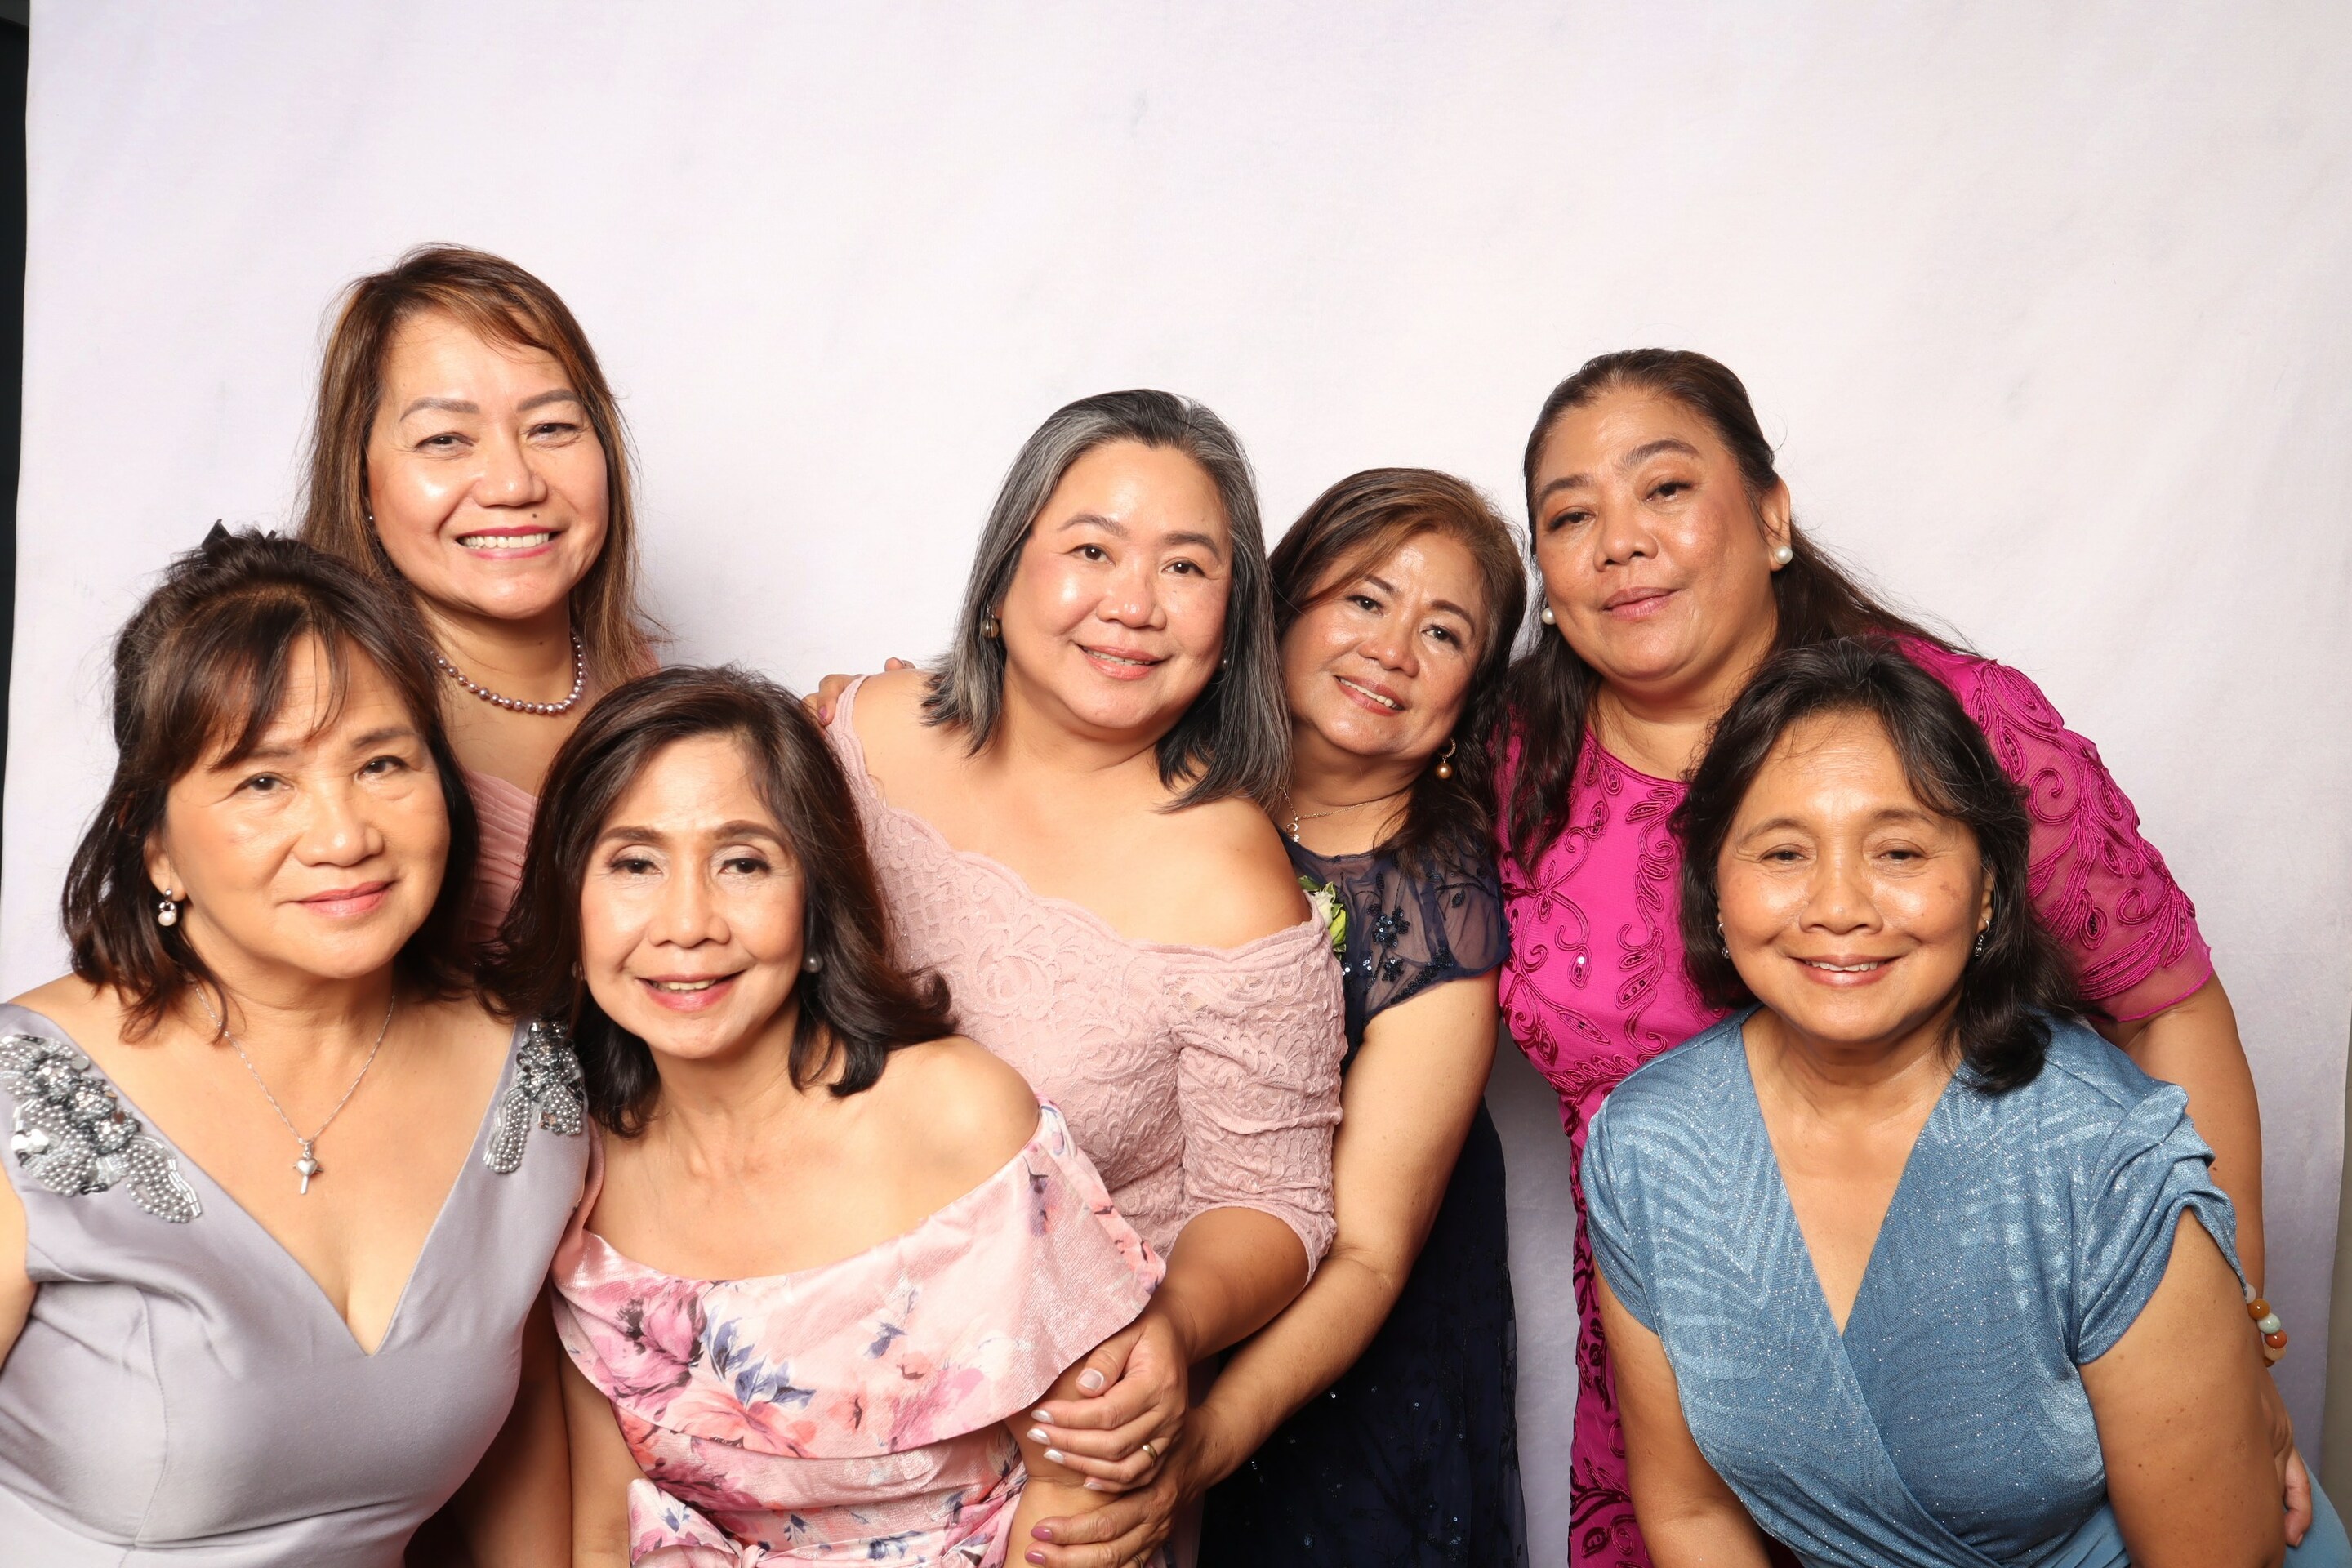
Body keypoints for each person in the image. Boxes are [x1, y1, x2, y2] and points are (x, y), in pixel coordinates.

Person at [1495, 349, 2287, 1564]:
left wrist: (2234, 1347)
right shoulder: (1510, 760)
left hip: (1988, 1360)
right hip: (1681, 1370)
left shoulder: (1958, 723)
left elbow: (2166, 1005)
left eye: (1665, 488)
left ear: (1772, 516)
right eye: (1570, 516)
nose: (1620, 542)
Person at [1580, 637, 2348, 1567]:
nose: (1839, 906)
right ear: (1714, 890)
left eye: (1899, 850)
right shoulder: (1646, 1145)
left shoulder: (2103, 1158)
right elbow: (1692, 1514)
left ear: (1987, 891)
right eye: (1783, 852)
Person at [821, 390, 1346, 1567]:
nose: (1134, 603)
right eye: (1093, 550)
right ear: (1001, 581)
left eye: (1186, 567)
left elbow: (1273, 1203)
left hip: (1048, 1447)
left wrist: (1173, 1329)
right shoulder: (851, 741)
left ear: (1232, 624)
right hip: (777, 1392)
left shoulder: (1236, 887)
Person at [483, 666, 1160, 1565]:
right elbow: (608, 1529)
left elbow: (1083, 1490)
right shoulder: (571, 1167)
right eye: (635, 864)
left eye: (742, 863)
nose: (687, 924)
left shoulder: (958, 1118)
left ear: (815, 901)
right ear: (570, 903)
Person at [0, 530, 583, 1566]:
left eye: (382, 763)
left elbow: (525, 1423)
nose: (345, 836)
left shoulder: (530, 1082)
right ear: (155, 842)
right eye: (264, 782)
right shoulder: (24, 1093)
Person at [1178, 469, 1528, 1566]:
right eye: (1366, 599)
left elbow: (1370, 1250)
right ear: (1280, 607)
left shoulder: (1437, 895)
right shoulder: (1161, 770)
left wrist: (1207, 1439)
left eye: (1444, 632)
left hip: (1347, 1350)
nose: (1392, 650)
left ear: (1471, 693)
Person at [299, 243, 662, 943]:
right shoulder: (317, 716)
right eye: (445, 439)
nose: (513, 484)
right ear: (359, 480)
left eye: (552, 428)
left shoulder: (646, 679)